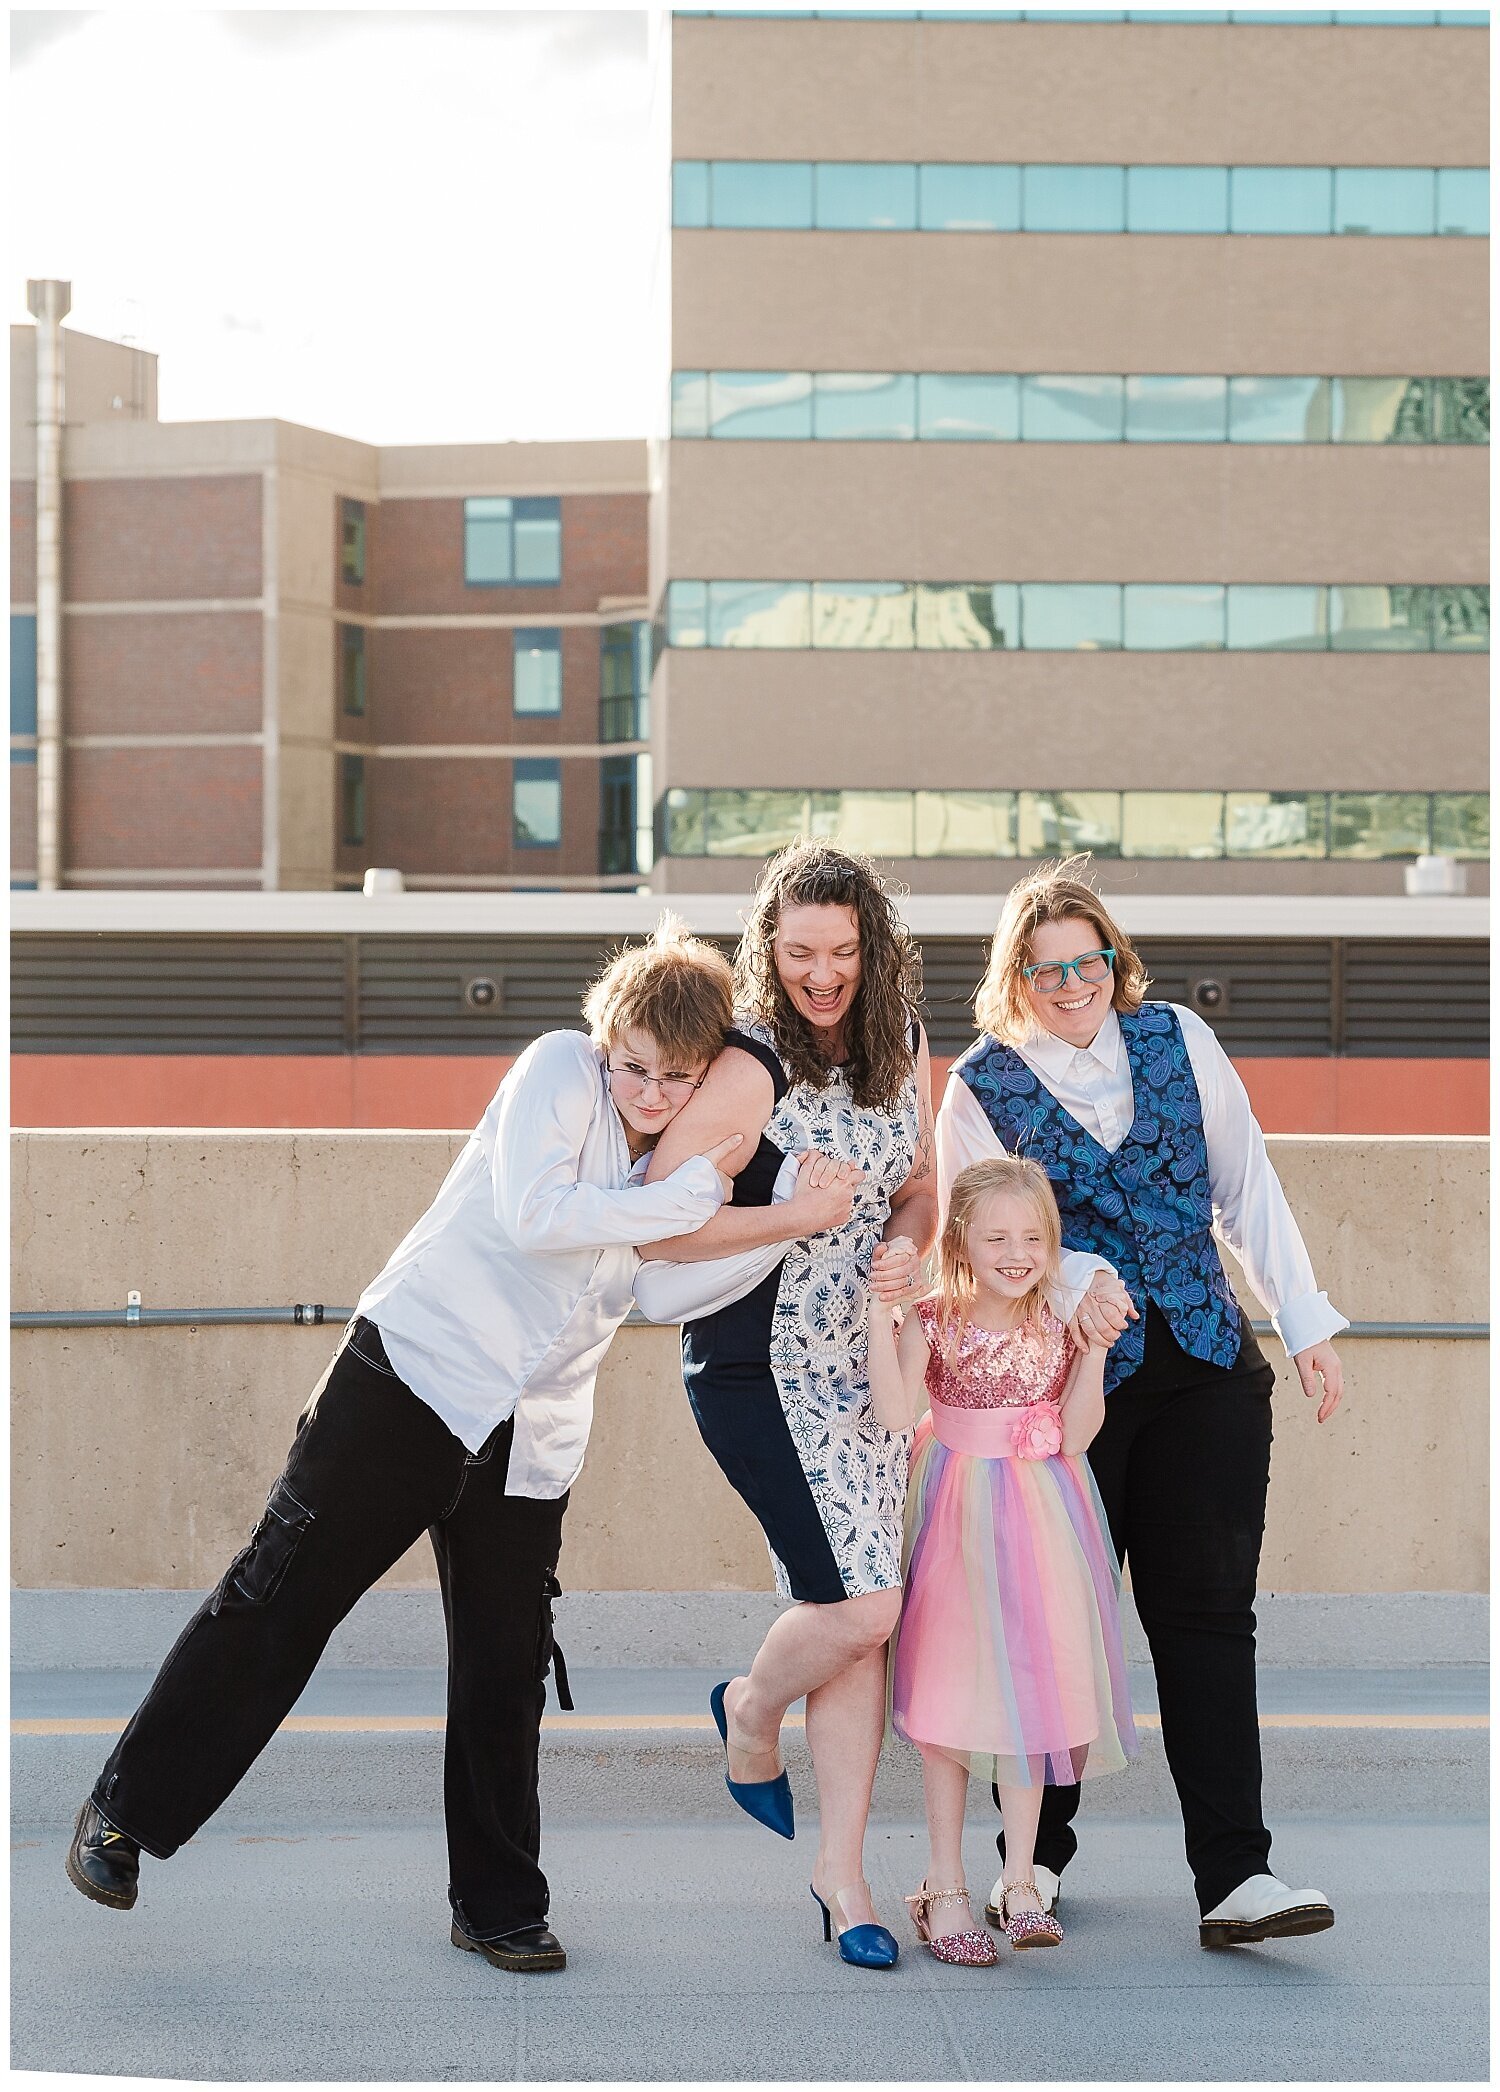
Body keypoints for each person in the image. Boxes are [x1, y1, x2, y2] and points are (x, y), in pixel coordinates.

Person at [64, 918, 845, 1974]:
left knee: (503, 1666)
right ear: (604, 1039)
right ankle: (123, 1812)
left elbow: (661, 1279)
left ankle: (497, 1904)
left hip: (534, 1432)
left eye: (677, 1079)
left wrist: (786, 1224)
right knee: (280, 1601)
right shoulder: (557, 1074)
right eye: (636, 1067)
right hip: (411, 1378)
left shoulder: (672, 1154)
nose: (650, 1093)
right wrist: (705, 1193)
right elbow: (536, 1217)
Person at [639, 841, 1132, 1971]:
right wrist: (792, 1221)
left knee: (864, 1621)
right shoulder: (745, 1063)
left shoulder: (899, 1041)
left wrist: (907, 1240)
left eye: (843, 951)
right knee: (861, 1610)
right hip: (759, 1369)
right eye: (800, 951)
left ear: (874, 948)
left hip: (872, 1369)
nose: (823, 973)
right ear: (769, 948)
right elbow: (658, 1225)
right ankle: (752, 1708)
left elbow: (918, 1183)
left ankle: (844, 1876)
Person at [936, 857, 1347, 1950]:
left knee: (1210, 1618)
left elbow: (1247, 1184)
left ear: (1114, 959)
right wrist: (1078, 1283)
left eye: (1090, 961)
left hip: (1208, 1366)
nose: (1073, 983)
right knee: (1054, 1618)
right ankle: (1033, 1864)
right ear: (1014, 977)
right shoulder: (981, 1085)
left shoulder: (1177, 1040)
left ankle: (1237, 1876)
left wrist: (1302, 1326)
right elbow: (979, 1241)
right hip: (1068, 1390)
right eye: (1047, 968)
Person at [869, 1156, 1136, 1968]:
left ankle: (1021, 1878)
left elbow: (1080, 1434)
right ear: (961, 1242)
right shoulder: (935, 1315)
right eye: (996, 1236)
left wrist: (1091, 1354)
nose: (1016, 1252)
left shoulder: (1058, 1322)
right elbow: (891, 1411)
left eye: (1032, 1236)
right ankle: (943, 1885)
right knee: (950, 1694)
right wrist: (885, 1323)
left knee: (1031, 1692)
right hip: (953, 1507)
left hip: (1044, 1514)